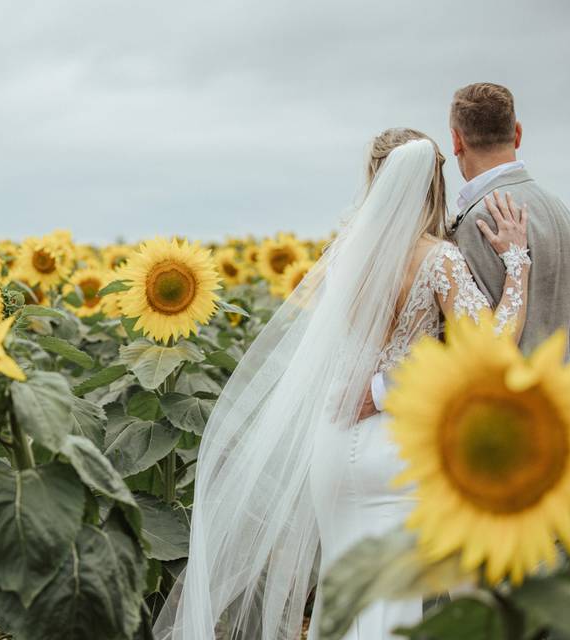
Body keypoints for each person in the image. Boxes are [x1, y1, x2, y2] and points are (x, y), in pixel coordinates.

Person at [153, 127, 532, 639]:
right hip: (392, 446)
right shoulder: (438, 259)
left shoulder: (347, 255)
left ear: (376, 180)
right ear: (432, 184)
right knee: (389, 606)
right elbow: (491, 353)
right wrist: (517, 265)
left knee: (342, 596)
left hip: (331, 443)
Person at [361, 82, 570, 421]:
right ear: (517, 133)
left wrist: (382, 389)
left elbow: (461, 348)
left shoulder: (480, 220)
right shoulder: (561, 213)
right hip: (554, 418)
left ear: (456, 140)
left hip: (493, 422)